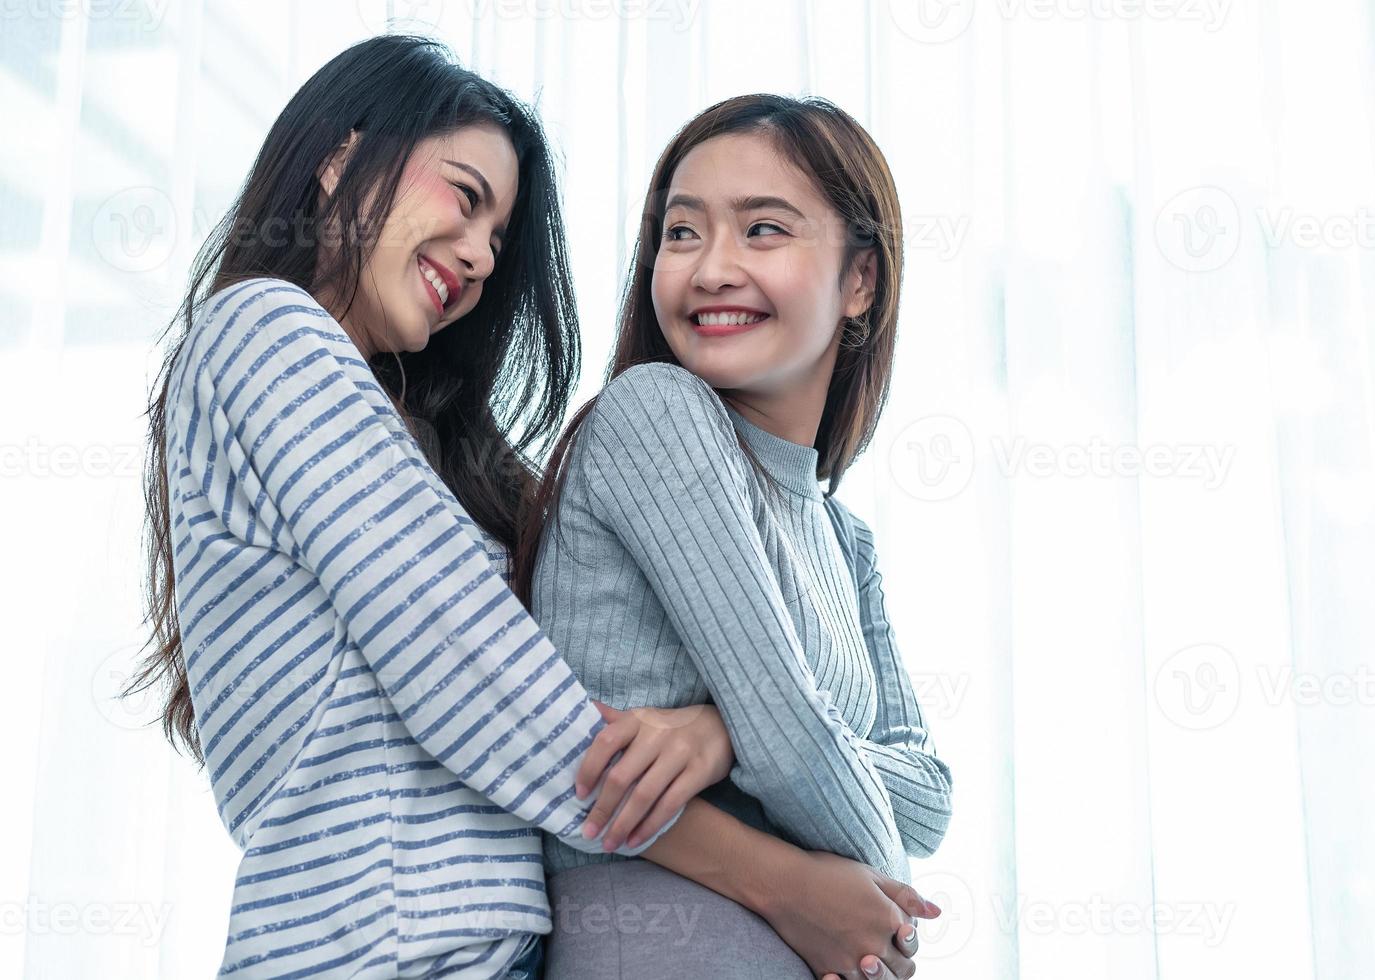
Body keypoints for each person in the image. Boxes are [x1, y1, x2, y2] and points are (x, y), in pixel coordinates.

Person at [132, 36, 933, 979]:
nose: (476, 256)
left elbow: (909, 783)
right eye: (464, 198)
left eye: (498, 237)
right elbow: (477, 682)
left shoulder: (431, 447)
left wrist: (722, 731)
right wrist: (777, 882)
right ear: (341, 157)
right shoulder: (264, 335)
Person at [515, 94, 953, 979]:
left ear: (861, 281)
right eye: (682, 233)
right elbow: (796, 753)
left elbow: (932, 798)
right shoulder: (657, 414)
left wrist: (721, 733)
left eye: (763, 230)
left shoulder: (846, 540)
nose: (711, 268)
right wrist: (881, 916)